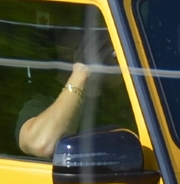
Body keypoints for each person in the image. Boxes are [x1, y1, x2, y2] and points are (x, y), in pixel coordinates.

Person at [16, 18, 120, 161]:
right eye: (94, 43)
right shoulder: (41, 101)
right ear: (68, 52)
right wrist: (82, 71)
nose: (108, 48)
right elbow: (41, 144)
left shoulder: (129, 99)